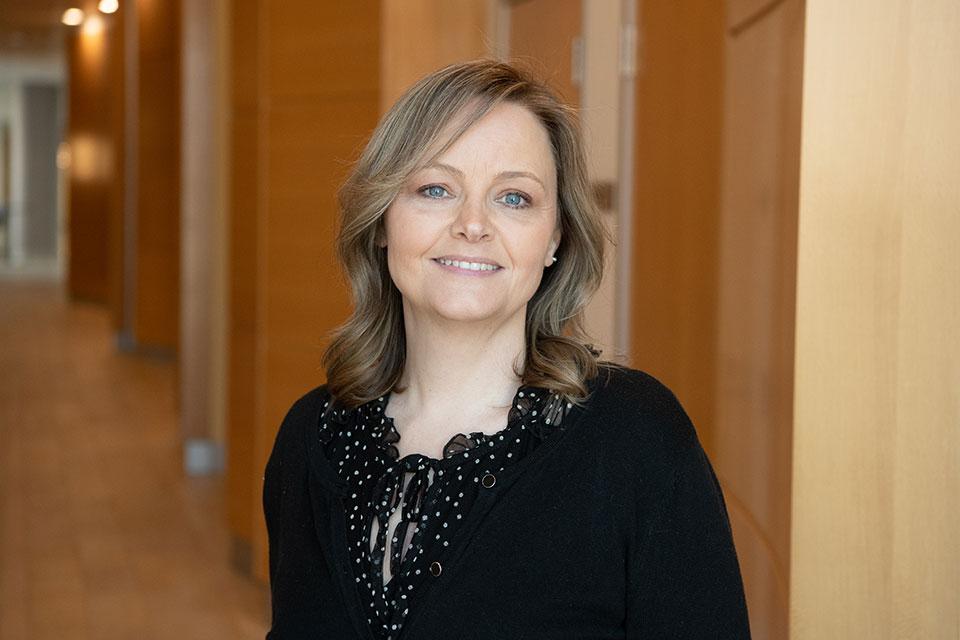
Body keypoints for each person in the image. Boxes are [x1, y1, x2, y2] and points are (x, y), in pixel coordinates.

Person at [263, 59, 750, 639]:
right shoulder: (309, 438)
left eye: (514, 198)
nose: (473, 224)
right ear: (383, 222)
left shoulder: (636, 440)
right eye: (435, 188)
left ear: (554, 240)